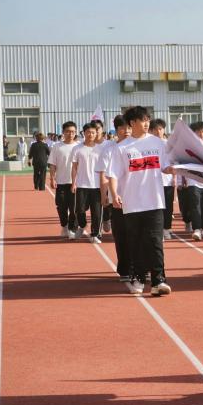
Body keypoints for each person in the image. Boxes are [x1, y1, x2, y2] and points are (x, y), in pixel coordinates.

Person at [106, 106, 171, 297]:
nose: (147, 123)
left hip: (155, 200)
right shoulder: (121, 148)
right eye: (143, 120)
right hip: (132, 202)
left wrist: (175, 169)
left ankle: (159, 280)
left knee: (155, 241)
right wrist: (114, 194)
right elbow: (113, 174)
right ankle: (139, 278)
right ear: (132, 123)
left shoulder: (158, 143)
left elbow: (166, 166)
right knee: (135, 242)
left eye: (148, 119)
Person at [99, 115, 133, 282]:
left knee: (139, 235)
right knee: (121, 235)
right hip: (117, 200)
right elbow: (104, 176)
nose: (126, 131)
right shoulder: (109, 150)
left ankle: (142, 268)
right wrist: (105, 195)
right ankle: (125, 269)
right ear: (116, 130)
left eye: (129, 127)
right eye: (122, 128)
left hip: (138, 199)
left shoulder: (138, 146)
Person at [70, 122, 104, 243]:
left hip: (97, 186)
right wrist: (73, 183)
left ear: (96, 133)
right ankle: (83, 225)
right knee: (79, 210)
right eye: (88, 132)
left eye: (93, 132)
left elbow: (104, 169)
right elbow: (74, 167)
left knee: (97, 213)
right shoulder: (77, 149)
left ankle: (95, 234)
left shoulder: (101, 149)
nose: (90, 134)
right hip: (82, 185)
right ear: (84, 133)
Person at [48, 121, 79, 239]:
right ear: (63, 132)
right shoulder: (57, 146)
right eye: (68, 131)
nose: (70, 134)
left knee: (74, 208)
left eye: (73, 132)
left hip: (75, 183)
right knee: (61, 207)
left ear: (75, 133)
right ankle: (64, 226)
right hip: (61, 182)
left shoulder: (79, 146)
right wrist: (52, 178)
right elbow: (52, 164)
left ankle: (72, 229)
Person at [149, 119, 176, 241]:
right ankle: (158, 230)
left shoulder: (169, 145)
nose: (158, 132)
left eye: (160, 129)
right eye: (155, 129)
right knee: (156, 208)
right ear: (151, 131)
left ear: (164, 130)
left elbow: (173, 162)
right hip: (154, 182)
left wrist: (174, 178)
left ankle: (166, 229)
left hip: (167, 181)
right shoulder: (149, 144)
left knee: (168, 207)